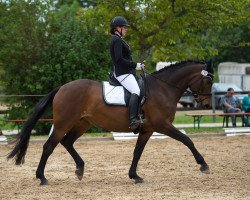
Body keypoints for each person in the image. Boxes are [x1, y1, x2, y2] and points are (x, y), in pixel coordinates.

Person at [109, 16, 144, 130]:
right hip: (122, 73)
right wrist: (135, 65)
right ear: (117, 28)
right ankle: (133, 120)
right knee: (136, 91)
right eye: (124, 27)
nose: (126, 29)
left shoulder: (119, 39)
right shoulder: (117, 40)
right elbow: (119, 59)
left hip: (126, 72)